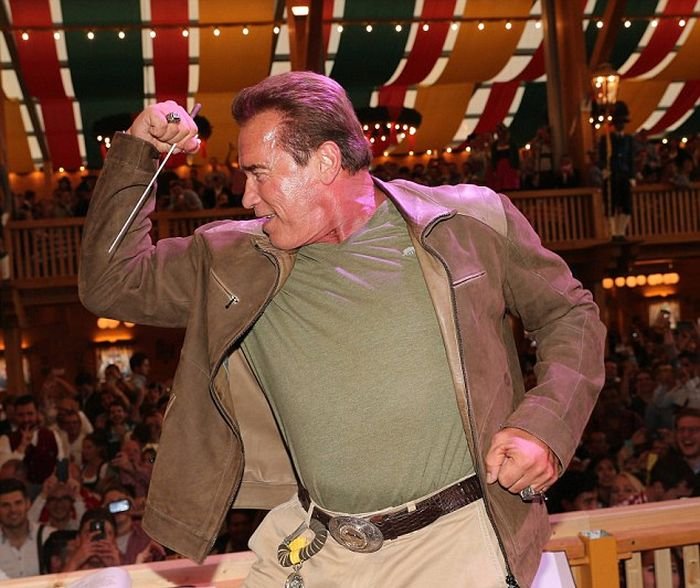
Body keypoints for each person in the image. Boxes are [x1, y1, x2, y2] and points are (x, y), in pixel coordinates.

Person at [78, 71, 605, 587]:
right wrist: (140, 151)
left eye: (259, 173)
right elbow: (110, 282)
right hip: (317, 545)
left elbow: (570, 315)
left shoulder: (469, 223)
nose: (247, 196)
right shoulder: (233, 260)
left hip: (455, 540)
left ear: (326, 161)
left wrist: (544, 425)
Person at [0, 478, 55, 577]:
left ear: (28, 504)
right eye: (5, 505)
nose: (13, 510)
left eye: (18, 503)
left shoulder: (48, 536)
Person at [599, 100, 636, 239]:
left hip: (624, 174)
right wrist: (604, 170)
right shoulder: (606, 139)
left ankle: (621, 231)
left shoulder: (628, 139)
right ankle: (613, 232)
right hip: (612, 175)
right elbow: (601, 157)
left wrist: (632, 176)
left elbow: (630, 158)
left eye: (622, 122)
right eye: (619, 122)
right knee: (611, 204)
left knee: (626, 205)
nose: (621, 125)